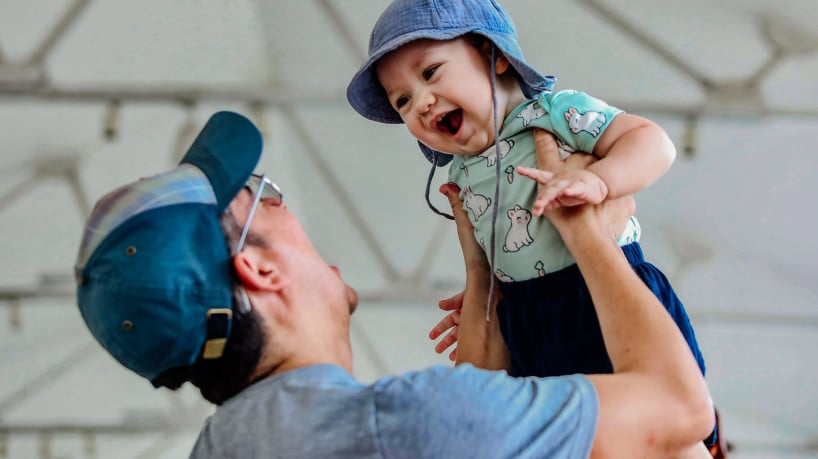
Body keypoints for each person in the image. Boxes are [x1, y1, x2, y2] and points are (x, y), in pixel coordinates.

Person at [75, 111, 714, 458]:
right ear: (259, 271)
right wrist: (588, 240)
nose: (285, 206)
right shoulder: (398, 424)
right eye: (263, 197)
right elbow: (679, 413)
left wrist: (485, 274)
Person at [345, 0, 724, 448]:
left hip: (603, 294)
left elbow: (652, 143)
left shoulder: (553, 114)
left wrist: (597, 181)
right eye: (402, 101)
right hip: (527, 318)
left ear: (495, 55)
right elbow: (509, 247)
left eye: (430, 73)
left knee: (656, 423)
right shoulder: (461, 175)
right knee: (568, 434)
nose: (422, 103)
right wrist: (494, 287)